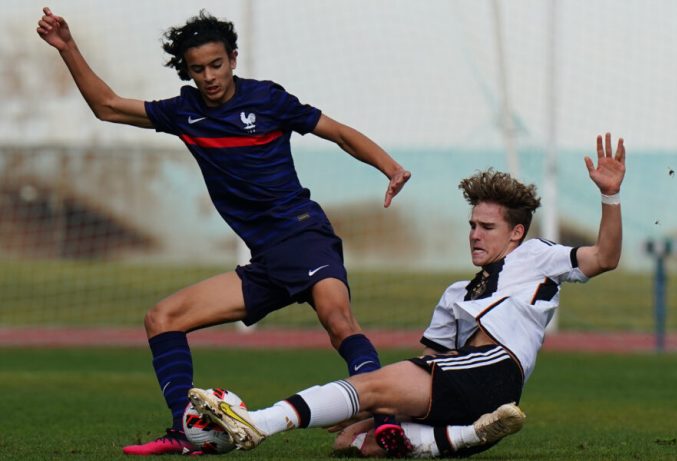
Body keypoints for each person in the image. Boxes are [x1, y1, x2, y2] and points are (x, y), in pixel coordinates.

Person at [36, 7, 412, 456]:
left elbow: (337, 133)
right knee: (162, 319)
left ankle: (386, 421)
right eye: (198, 69)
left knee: (338, 322)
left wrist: (388, 166)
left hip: (302, 233)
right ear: (188, 71)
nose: (210, 76)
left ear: (233, 59)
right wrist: (68, 48)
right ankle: (184, 431)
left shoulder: (267, 100)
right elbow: (108, 107)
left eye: (217, 64)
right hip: (266, 260)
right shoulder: (184, 112)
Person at [188, 133, 626, 458]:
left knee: (370, 386)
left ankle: (256, 423)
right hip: (463, 386)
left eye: (487, 228)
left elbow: (605, 257)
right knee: (355, 443)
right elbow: (428, 356)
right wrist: (376, 410)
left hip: (492, 370)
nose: (474, 235)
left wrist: (611, 196)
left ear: (516, 233)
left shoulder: (536, 255)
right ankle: (470, 435)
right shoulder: (457, 292)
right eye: (472, 225)